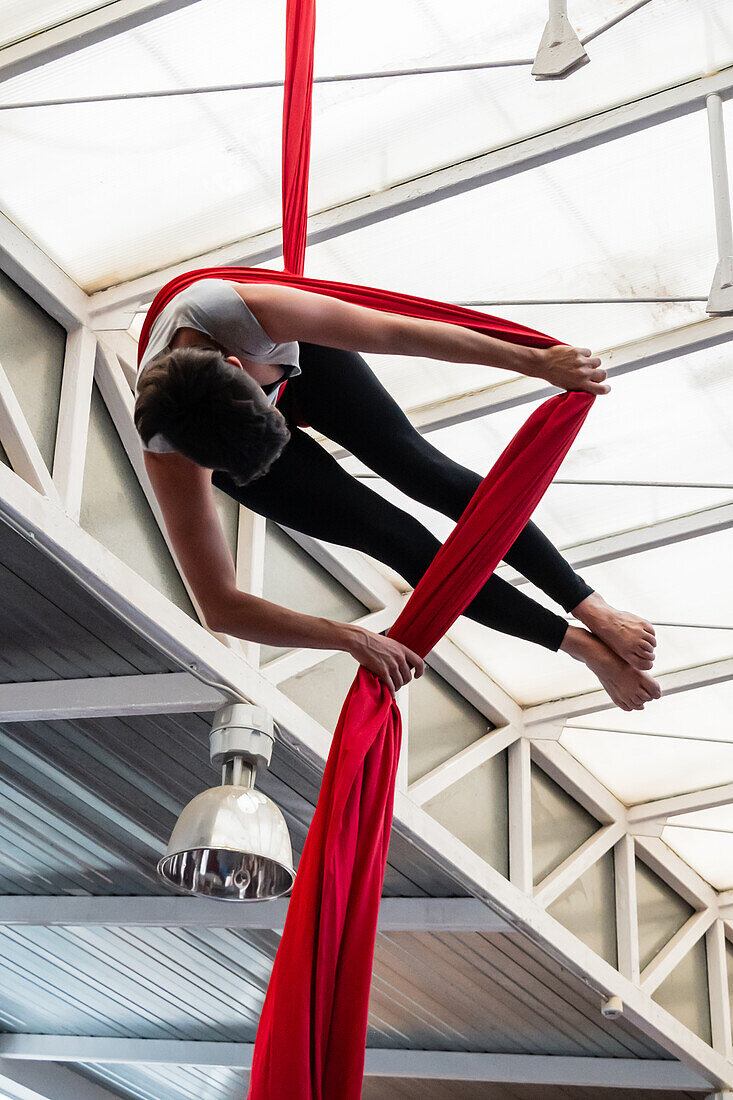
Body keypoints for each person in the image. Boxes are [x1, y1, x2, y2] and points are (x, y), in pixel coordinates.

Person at [134, 277, 661, 710]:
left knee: (420, 467)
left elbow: (400, 333)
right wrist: (348, 637)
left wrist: (534, 362)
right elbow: (220, 606)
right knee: (390, 535)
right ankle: (578, 645)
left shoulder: (246, 311)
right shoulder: (171, 452)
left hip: (294, 361)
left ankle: (590, 606)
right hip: (230, 424)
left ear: (233, 366)